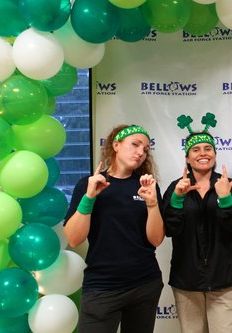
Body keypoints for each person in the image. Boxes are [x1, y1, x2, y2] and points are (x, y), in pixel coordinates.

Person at [64, 124, 165, 333]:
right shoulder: (88, 184)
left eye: (145, 149)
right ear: (116, 145)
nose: (140, 153)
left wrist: (153, 204)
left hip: (144, 284)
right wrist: (90, 197)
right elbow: (74, 239)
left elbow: (156, 240)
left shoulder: (147, 187)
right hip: (102, 287)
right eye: (135, 145)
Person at [162, 113, 232, 333]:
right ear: (187, 158)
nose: (202, 154)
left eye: (208, 149)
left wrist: (225, 198)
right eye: (196, 150)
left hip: (223, 281)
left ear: (215, 155)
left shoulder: (227, 185)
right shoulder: (175, 187)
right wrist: (178, 199)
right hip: (186, 281)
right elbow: (170, 229)